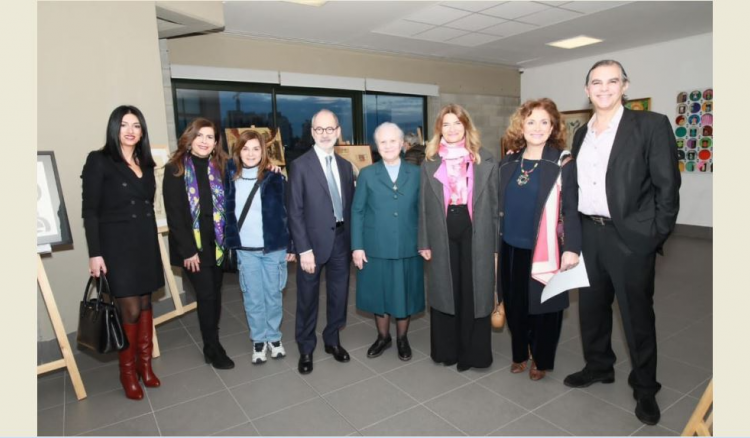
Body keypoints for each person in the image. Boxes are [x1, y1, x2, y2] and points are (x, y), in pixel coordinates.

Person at [563, 60, 680, 426]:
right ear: (587, 90)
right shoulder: (581, 134)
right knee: (591, 309)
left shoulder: (651, 125)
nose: (604, 88)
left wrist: (654, 234)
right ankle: (599, 366)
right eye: (596, 82)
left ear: (624, 86)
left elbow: (667, 186)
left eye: (612, 81)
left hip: (630, 237)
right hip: (590, 234)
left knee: (636, 316)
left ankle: (645, 387)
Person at [81, 105, 165, 400]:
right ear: (114, 128)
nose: (130, 131)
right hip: (116, 247)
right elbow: (90, 212)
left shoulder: (147, 162)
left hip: (144, 243)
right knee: (129, 308)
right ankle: (127, 373)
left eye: (136, 125)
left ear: (142, 132)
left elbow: (146, 205)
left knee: (145, 303)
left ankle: (145, 366)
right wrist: (95, 253)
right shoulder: (99, 160)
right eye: (124, 124)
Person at [497, 98, 581, 381]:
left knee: (545, 308)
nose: (537, 127)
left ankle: (541, 359)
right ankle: (520, 353)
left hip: (547, 249)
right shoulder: (508, 162)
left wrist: (572, 248)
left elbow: (571, 208)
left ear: (553, 127)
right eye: (531, 121)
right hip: (510, 247)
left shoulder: (562, 163)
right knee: (516, 304)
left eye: (544, 122)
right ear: (521, 126)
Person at [418, 104, 498, 372]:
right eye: (446, 124)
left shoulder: (484, 158)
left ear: (466, 126)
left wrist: (495, 245)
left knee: (473, 289)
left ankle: (473, 355)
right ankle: (446, 351)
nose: (452, 129)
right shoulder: (429, 162)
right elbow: (422, 205)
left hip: (476, 229)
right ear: (439, 129)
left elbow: (496, 205)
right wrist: (424, 241)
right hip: (441, 229)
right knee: (445, 288)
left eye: (457, 123)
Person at [287, 109, 355, 375]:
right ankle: (306, 347)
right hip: (311, 245)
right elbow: (295, 211)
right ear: (312, 132)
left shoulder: (346, 167)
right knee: (307, 298)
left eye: (330, 129)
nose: (325, 134)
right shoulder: (300, 166)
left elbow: (349, 208)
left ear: (338, 131)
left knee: (339, 295)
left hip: (341, 240)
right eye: (319, 129)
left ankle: (332, 340)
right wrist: (303, 249)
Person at [163, 118, 235, 370]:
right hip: (193, 248)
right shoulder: (176, 169)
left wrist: (273, 170)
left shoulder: (221, 166)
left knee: (215, 293)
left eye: (210, 137)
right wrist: (188, 251)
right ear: (190, 138)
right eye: (200, 136)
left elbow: (250, 171)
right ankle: (212, 347)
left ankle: (211, 338)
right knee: (206, 295)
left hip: (217, 245)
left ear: (216, 143)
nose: (204, 141)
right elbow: (174, 215)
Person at [351, 122, 424, 361]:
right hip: (376, 246)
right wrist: (357, 246)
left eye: (393, 141)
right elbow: (358, 211)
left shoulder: (416, 173)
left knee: (404, 294)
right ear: (377, 146)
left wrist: (425, 242)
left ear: (402, 144)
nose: (388, 145)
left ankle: (402, 338)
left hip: (408, 245)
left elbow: (424, 212)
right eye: (383, 141)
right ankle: (383, 337)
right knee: (379, 294)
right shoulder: (367, 174)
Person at [224, 130, 295, 364]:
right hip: (246, 251)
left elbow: (288, 213)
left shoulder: (275, 178)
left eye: (256, 148)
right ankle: (258, 340)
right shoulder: (229, 177)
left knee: (273, 296)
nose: (251, 153)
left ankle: (274, 338)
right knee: (253, 298)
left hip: (274, 249)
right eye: (245, 148)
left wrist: (291, 246)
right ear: (238, 151)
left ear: (263, 151)